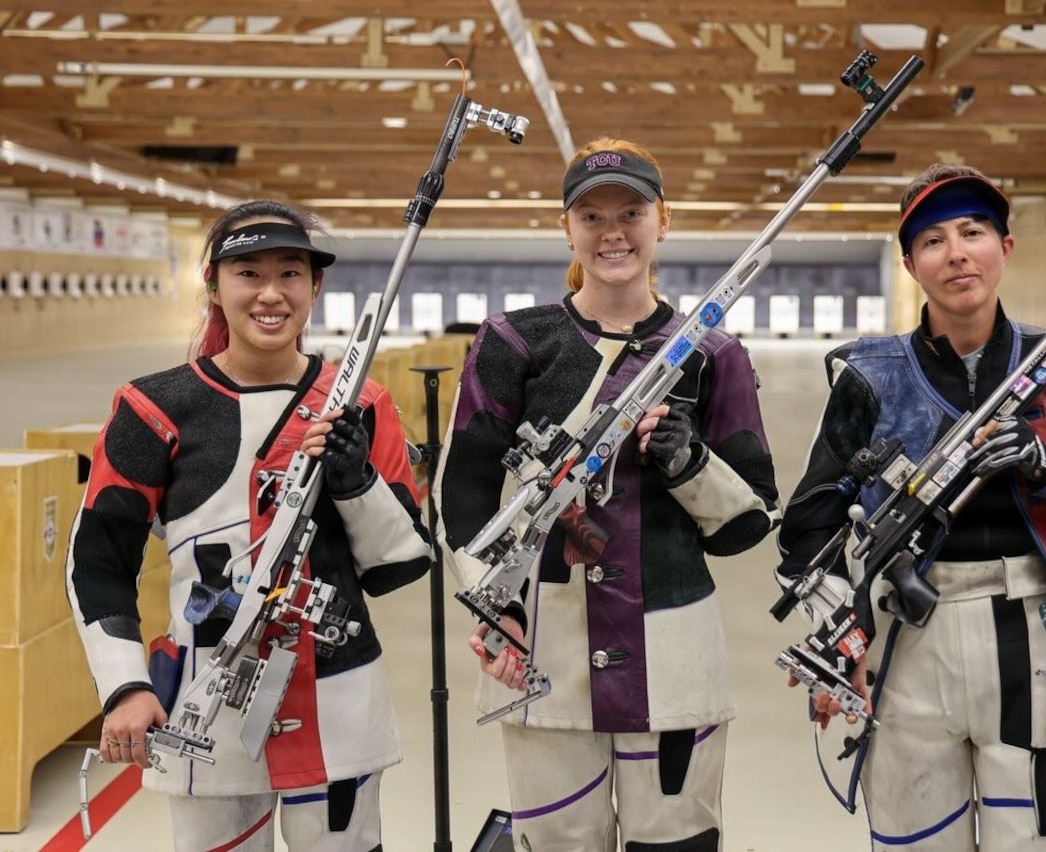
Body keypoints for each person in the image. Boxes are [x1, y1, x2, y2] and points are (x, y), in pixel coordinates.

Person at [775, 163, 1046, 850]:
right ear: (911, 262)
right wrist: (840, 633)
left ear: (1005, 246)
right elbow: (808, 528)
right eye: (933, 240)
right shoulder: (868, 375)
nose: (956, 253)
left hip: (1038, 634)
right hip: (906, 642)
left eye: (973, 231)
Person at [436, 137, 779, 850]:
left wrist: (689, 463)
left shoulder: (714, 352)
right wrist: (494, 607)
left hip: (674, 653)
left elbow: (747, 522)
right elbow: (462, 494)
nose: (613, 232)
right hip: (542, 653)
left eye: (631, 212)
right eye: (591, 217)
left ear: (663, 220)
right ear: (567, 227)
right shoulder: (513, 342)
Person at [65, 199, 433, 851]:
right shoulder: (153, 408)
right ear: (213, 284)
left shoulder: (362, 404)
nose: (271, 293)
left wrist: (356, 482)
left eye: (290, 273)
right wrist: (125, 684)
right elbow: (99, 560)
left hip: (338, 699)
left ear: (314, 287)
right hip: (206, 702)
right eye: (248, 273)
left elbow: (398, 565)